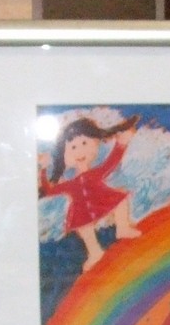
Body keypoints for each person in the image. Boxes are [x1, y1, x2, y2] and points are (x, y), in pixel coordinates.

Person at [39, 115, 141, 271]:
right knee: (83, 227)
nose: (80, 151)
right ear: (64, 155)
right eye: (73, 147)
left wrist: (122, 144)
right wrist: (43, 170)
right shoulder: (70, 184)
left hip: (102, 200)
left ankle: (122, 228)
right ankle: (94, 252)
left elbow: (111, 163)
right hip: (82, 211)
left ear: (95, 142)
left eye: (84, 143)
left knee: (120, 200)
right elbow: (49, 190)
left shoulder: (95, 173)